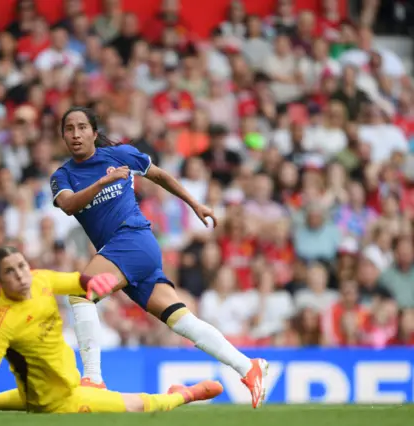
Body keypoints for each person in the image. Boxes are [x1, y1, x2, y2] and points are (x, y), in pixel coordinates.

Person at [51, 106, 268, 408]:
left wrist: (195, 205)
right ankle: (248, 366)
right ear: (63, 135)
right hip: (122, 251)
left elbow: (160, 176)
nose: (75, 134)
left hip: (134, 238)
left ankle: (93, 377)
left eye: (82, 127)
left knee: (80, 294)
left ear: (94, 132)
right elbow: (69, 205)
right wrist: (101, 183)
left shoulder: (120, 155)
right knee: (181, 320)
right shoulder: (62, 176)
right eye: (69, 129)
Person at [0, 247, 223, 414]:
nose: (21, 276)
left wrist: (91, 282)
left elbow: (72, 279)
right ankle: (184, 394)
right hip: (62, 400)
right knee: (141, 406)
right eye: (11, 272)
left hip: (41, 391)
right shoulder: (1, 321)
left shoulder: (40, 280)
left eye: (22, 266)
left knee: (19, 398)